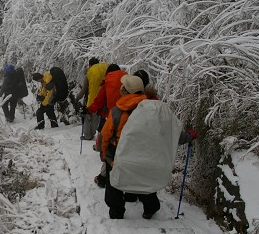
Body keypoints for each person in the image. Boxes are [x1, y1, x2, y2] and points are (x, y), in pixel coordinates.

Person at [101, 74, 197, 220]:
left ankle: (116, 212)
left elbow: (105, 136)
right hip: (146, 153)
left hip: (119, 156)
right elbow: (169, 132)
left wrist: (104, 155)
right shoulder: (154, 111)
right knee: (143, 180)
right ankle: (151, 207)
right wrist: (189, 136)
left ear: (125, 91)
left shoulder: (117, 112)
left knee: (114, 184)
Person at [88, 64, 127, 187]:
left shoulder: (107, 82)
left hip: (113, 118)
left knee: (109, 148)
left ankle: (104, 177)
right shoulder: (127, 79)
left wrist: (88, 109)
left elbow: (98, 101)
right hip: (129, 119)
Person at [75, 58, 108, 140]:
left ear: (90, 65)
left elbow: (84, 89)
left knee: (86, 117)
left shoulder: (89, 74)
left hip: (90, 99)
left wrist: (78, 97)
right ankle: (92, 133)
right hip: (101, 100)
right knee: (96, 117)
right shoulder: (104, 72)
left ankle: (87, 136)